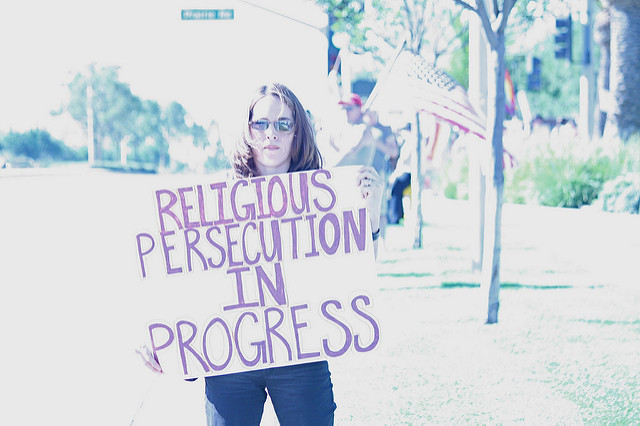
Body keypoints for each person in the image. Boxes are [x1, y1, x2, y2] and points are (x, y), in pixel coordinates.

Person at [136, 82, 384, 425]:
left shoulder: (326, 196)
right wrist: (161, 333)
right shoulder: (213, 201)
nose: (272, 133)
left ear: (297, 132)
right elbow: (180, 277)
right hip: (230, 361)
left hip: (301, 356)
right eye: (262, 123)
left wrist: (371, 215)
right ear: (248, 129)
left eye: (284, 123)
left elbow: (353, 276)